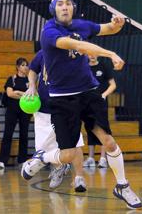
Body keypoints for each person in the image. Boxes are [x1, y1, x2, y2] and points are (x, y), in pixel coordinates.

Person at [21, 0, 142, 209]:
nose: (65, 7)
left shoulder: (81, 25)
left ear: (73, 8)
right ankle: (42, 158)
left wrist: (118, 24)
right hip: (63, 99)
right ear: (54, 9)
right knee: (67, 155)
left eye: (68, 3)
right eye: (60, 4)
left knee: (109, 141)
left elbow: (108, 29)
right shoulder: (49, 32)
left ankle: (122, 186)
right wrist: (110, 54)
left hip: (88, 92)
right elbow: (78, 46)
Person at [26, 49, 86, 192]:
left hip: (65, 107)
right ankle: (60, 166)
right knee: (42, 149)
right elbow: (32, 71)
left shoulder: (74, 54)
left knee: (76, 142)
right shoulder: (42, 53)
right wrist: (32, 85)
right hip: (43, 108)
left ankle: (79, 178)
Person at [0, 58, 31, 170]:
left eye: (26, 65)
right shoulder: (12, 79)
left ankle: (22, 160)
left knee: (24, 134)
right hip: (12, 109)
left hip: (25, 110)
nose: (25, 67)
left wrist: (18, 92)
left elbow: (33, 95)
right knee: (8, 134)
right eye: (23, 65)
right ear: (17, 67)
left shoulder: (30, 81)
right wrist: (24, 94)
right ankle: (2, 160)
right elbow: (10, 93)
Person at [83, 55, 116, 168]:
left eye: (94, 53)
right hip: (87, 103)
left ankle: (103, 158)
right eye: (90, 53)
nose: (92, 55)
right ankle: (91, 158)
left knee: (103, 128)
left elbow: (113, 85)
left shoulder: (104, 66)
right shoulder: (84, 67)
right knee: (90, 128)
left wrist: (104, 95)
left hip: (100, 103)